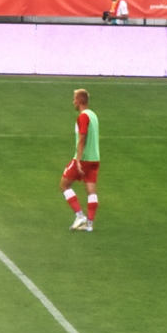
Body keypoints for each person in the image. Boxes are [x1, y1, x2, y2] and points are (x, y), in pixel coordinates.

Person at [60, 88, 100, 232]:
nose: (73, 102)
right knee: (91, 190)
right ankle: (89, 224)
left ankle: (80, 216)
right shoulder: (93, 115)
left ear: (80, 101)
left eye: (74, 99)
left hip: (84, 159)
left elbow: (82, 138)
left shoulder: (83, 117)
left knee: (64, 185)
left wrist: (77, 160)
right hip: (95, 159)